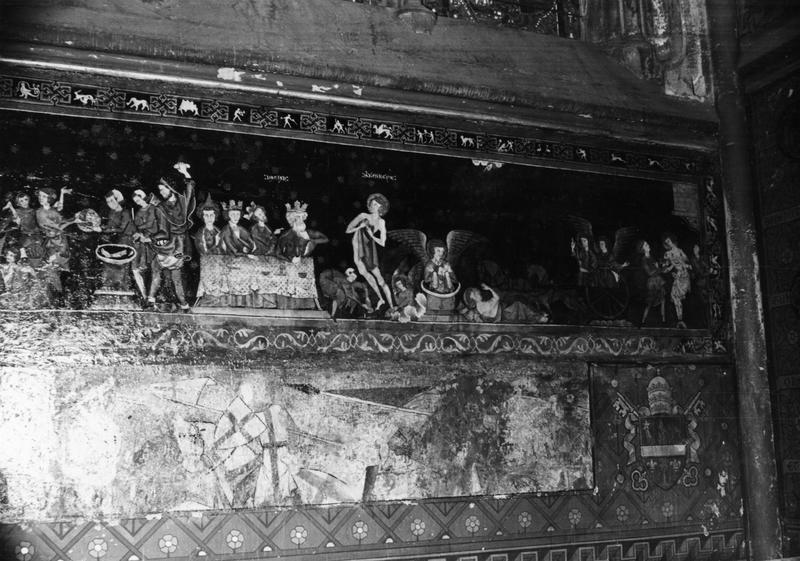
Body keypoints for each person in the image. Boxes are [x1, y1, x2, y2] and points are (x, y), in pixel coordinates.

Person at [345, 193, 393, 309]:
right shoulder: (363, 215)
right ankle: (381, 298)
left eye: (376, 204)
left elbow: (382, 242)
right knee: (364, 273)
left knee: (379, 277)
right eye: (371, 204)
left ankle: (391, 305)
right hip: (358, 248)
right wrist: (359, 227)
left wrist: (372, 235)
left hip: (369, 248)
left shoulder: (381, 222)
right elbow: (348, 230)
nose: (373, 206)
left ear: (381, 207)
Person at [155, 162, 195, 260]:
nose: (161, 192)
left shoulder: (182, 200)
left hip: (185, 241)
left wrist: (185, 173)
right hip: (170, 242)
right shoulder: (161, 207)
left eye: (163, 189)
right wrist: (161, 238)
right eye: (160, 190)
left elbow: (190, 189)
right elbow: (162, 226)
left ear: (170, 188)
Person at [660, 233, 691, 327]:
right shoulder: (667, 254)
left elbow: (686, 263)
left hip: (683, 275)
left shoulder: (680, 251)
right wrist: (665, 269)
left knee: (679, 297)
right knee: (675, 297)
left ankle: (682, 319)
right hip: (677, 276)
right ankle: (680, 320)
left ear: (672, 240)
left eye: (669, 241)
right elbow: (668, 267)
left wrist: (686, 267)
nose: (669, 243)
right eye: (666, 242)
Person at [636, 239, 666, 325]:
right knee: (650, 303)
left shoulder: (651, 257)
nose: (648, 245)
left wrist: (660, 266)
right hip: (653, 283)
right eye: (646, 245)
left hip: (658, 280)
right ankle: (643, 321)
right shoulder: (644, 259)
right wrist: (660, 269)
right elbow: (650, 272)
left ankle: (664, 320)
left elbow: (656, 267)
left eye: (647, 244)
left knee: (663, 299)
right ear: (642, 249)